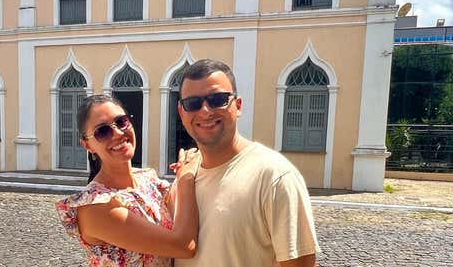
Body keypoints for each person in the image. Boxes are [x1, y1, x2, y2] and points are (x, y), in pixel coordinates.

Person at [174, 59, 320, 267]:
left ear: (238, 105)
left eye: (217, 100)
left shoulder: (274, 176)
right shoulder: (184, 177)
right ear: (182, 113)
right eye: (193, 103)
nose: (205, 111)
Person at [56, 94, 200, 266]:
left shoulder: (147, 179)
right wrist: (186, 178)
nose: (117, 133)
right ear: (87, 145)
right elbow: (184, 246)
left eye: (121, 122)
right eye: (102, 131)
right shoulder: (97, 207)